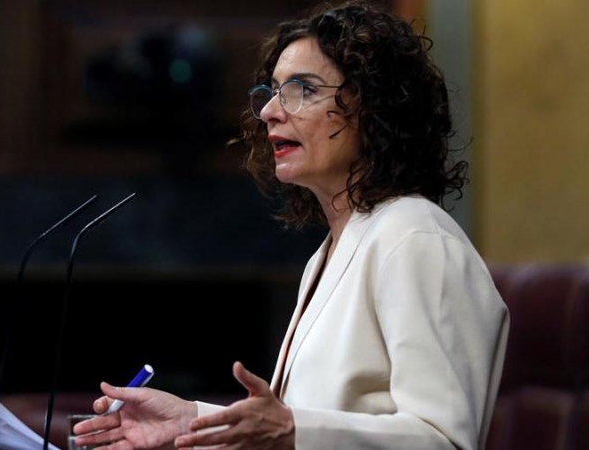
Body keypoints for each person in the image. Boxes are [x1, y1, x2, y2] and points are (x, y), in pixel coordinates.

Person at [73, 1, 510, 449]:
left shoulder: (416, 239)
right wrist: (191, 422)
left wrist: (291, 430)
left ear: (374, 105)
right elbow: (314, 420)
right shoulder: (336, 247)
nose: (269, 113)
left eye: (302, 89)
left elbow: (444, 440)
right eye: (273, 91)